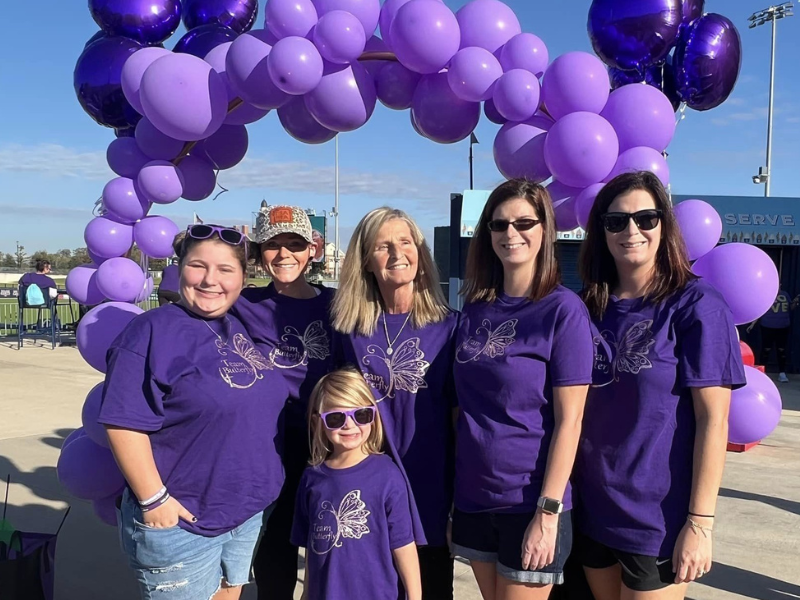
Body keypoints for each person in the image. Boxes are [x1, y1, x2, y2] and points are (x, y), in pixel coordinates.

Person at [575, 171, 746, 599]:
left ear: (664, 226)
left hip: (658, 519)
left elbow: (714, 422)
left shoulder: (697, 305)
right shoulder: (587, 306)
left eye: (646, 218)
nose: (631, 230)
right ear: (602, 231)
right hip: (591, 508)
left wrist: (700, 523)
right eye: (616, 221)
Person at [99, 224, 289, 600]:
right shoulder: (151, 331)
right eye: (198, 266)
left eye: (225, 270)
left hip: (245, 513)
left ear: (243, 276)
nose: (209, 280)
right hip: (184, 522)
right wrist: (154, 500)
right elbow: (123, 422)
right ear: (179, 267)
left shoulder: (238, 326)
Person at [451, 179, 594, 600]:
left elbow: (571, 422)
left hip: (530, 502)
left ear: (545, 230)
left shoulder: (562, 310)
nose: (510, 233)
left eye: (523, 222)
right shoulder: (475, 309)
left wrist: (547, 513)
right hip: (475, 497)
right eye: (499, 225)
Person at [331, 206, 458, 600]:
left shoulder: (451, 327)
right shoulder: (347, 330)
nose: (396, 253)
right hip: (367, 489)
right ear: (366, 260)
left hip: (430, 491)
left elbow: (459, 420)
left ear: (421, 256)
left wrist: (459, 501)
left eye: (405, 242)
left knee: (431, 590)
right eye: (382, 246)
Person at [229, 204, 335, 600]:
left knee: (330, 539)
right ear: (258, 251)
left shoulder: (337, 304)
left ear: (312, 250)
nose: (284, 253)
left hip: (326, 440)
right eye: (273, 244)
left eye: (295, 243)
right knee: (275, 543)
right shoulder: (241, 304)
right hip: (266, 444)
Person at [291, 367, 422, 600]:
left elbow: (403, 545)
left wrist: (415, 596)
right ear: (316, 423)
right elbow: (313, 548)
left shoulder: (387, 475)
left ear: (373, 416)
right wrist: (307, 592)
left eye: (360, 415)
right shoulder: (312, 478)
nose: (349, 425)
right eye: (335, 418)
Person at [747, 288, 799, 382]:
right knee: (766, 349)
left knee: (781, 350)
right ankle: (762, 373)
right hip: (767, 326)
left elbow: (790, 308)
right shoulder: (766, 295)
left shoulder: (785, 294)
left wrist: (795, 302)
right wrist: (752, 323)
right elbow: (760, 310)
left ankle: (782, 373)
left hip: (783, 326)